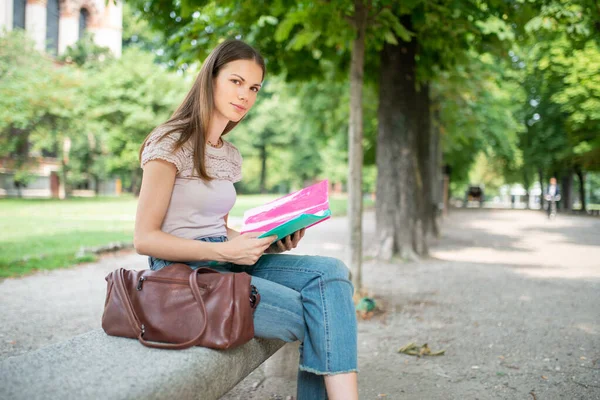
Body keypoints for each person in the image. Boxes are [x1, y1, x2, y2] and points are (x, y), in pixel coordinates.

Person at [133, 39, 358, 400]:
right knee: (324, 317)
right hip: (181, 274)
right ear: (211, 79)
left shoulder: (229, 155)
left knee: (331, 272)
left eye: (254, 87)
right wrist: (227, 253)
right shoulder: (170, 141)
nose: (245, 96)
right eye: (236, 82)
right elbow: (144, 238)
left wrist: (268, 238)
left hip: (224, 258)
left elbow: (217, 227)